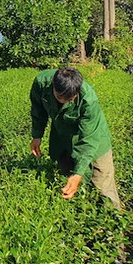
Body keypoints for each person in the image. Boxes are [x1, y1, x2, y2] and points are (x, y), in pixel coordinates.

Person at [30, 67, 122, 208]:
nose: (66, 102)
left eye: (71, 99)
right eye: (61, 98)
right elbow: (38, 109)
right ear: (53, 84)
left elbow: (89, 140)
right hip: (63, 137)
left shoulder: (88, 100)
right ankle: (78, 215)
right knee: (67, 177)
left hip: (94, 138)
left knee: (102, 183)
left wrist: (78, 173)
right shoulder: (41, 83)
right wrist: (37, 135)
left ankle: (113, 219)